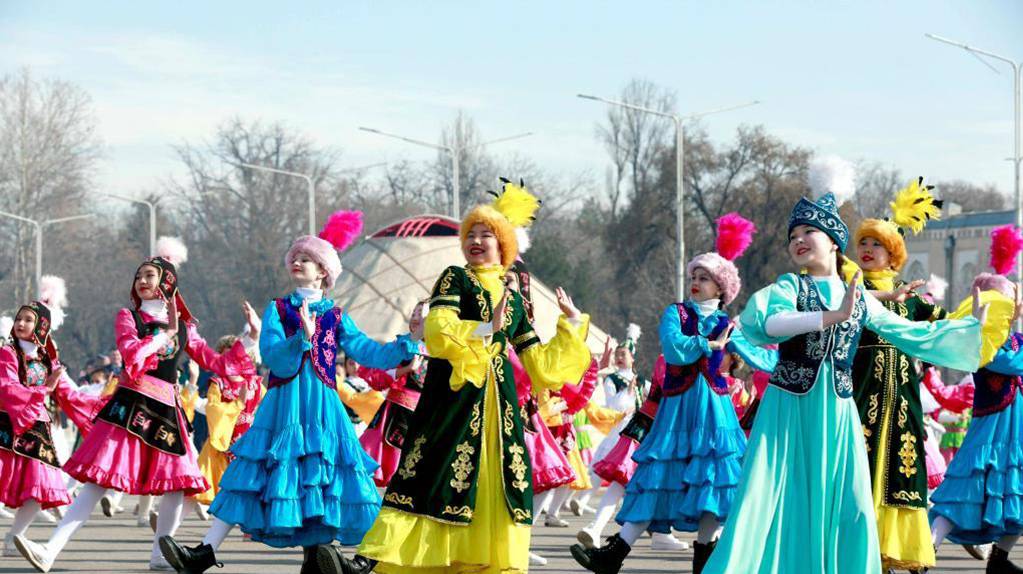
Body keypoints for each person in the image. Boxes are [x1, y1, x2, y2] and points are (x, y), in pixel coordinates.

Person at [702, 157, 985, 574]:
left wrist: (973, 326)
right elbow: (766, 325)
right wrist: (828, 316)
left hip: (838, 414)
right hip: (790, 411)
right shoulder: (790, 286)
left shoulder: (860, 295)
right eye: (793, 235)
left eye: (808, 232)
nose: (798, 240)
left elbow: (911, 334)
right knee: (770, 498)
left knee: (852, 504)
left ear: (834, 241)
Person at [322, 179, 592, 574]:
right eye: (472, 234)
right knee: (426, 473)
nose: (477, 241)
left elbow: (540, 365)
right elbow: (439, 329)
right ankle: (371, 559)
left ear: (504, 246)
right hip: (452, 401)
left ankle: (481, 560)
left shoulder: (513, 298)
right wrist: (486, 328)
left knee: (494, 483)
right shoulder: (455, 278)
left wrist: (571, 324)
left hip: (498, 410)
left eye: (487, 235)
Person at [159, 211, 421, 574]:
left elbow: (367, 351)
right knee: (252, 477)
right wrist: (303, 339)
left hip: (323, 406)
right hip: (283, 406)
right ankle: (202, 553)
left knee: (326, 477)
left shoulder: (336, 314)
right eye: (295, 258)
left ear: (324, 272)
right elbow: (272, 356)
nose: (298, 262)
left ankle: (337, 558)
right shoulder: (278, 310)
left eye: (307, 259)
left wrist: (410, 342)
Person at [14, 238, 259, 573]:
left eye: (149, 275)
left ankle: (160, 554)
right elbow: (132, 355)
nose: (142, 281)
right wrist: (163, 334)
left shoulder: (186, 329)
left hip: (168, 412)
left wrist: (250, 339)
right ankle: (50, 550)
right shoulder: (128, 317)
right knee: (97, 481)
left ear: (167, 284)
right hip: (130, 407)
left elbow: (217, 363)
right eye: (139, 276)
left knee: (175, 484)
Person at [571, 212, 776, 574]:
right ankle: (613, 554)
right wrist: (708, 344)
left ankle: (704, 561)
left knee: (713, 482)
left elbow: (758, 357)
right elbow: (676, 348)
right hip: (677, 411)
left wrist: (796, 365)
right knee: (656, 479)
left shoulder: (730, 324)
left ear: (722, 288)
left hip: (714, 413)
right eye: (694, 276)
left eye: (705, 278)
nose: (695, 282)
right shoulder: (676, 313)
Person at [930, 224, 1023, 573]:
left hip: (1015, 437)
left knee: (1016, 498)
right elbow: (1007, 362)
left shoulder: (1016, 341)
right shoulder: (982, 345)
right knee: (961, 494)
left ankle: (1000, 558)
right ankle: (926, 550)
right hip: (989, 435)